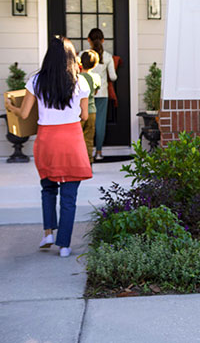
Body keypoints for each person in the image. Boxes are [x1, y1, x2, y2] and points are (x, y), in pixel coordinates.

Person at [4, 37, 92, 257]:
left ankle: (48, 233)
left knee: (48, 187)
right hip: (71, 139)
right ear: (71, 57)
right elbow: (85, 116)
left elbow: (24, 114)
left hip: (47, 140)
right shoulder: (81, 82)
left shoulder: (36, 81)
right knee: (69, 195)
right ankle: (64, 245)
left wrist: (10, 107)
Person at [87, 28, 117, 161]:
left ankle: (85, 153)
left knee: (86, 124)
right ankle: (98, 152)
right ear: (103, 40)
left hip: (86, 94)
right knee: (99, 123)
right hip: (102, 93)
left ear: (89, 40)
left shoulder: (83, 54)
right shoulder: (108, 57)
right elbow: (113, 76)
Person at [79, 50, 101, 165]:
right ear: (95, 64)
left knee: (77, 139)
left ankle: (78, 162)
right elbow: (96, 92)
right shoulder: (96, 77)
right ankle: (89, 162)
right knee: (88, 139)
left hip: (79, 111)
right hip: (92, 111)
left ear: (80, 62)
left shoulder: (77, 77)